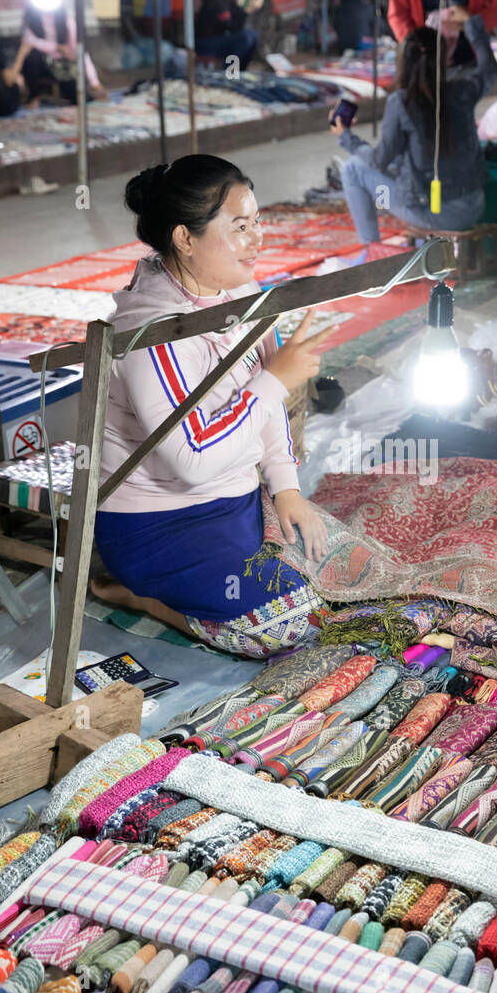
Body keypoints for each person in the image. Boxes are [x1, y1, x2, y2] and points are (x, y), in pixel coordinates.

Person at [91, 155, 332, 658]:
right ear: (185, 238)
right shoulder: (152, 332)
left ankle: (230, 576)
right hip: (159, 523)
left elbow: (267, 407)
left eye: (258, 223)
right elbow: (193, 460)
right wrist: (274, 379)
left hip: (238, 501)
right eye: (240, 227)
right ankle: (147, 598)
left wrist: (286, 489)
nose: (257, 239)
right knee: (291, 627)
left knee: (342, 575)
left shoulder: (241, 292)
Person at [332, 13, 497, 258]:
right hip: (475, 205)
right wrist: (472, 24)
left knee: (353, 169)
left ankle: (371, 255)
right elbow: (489, 69)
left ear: (403, 62)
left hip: (434, 213)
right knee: (404, 161)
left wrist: (347, 136)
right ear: (445, 58)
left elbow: (379, 160)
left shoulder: (401, 102)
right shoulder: (462, 88)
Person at [22, 2, 108, 103]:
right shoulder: (31, 20)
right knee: (32, 58)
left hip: (62, 66)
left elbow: (81, 52)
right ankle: (33, 97)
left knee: (79, 98)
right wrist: (56, 47)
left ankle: (92, 92)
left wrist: (94, 82)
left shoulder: (67, 21)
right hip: (41, 64)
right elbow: (29, 41)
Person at [195, 0, 262, 68]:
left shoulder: (229, 3)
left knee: (252, 35)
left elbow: (237, 27)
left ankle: (240, 72)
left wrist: (241, 5)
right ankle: (230, 72)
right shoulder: (216, 2)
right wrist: (247, 10)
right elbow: (230, 27)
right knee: (244, 37)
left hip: (220, 40)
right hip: (204, 43)